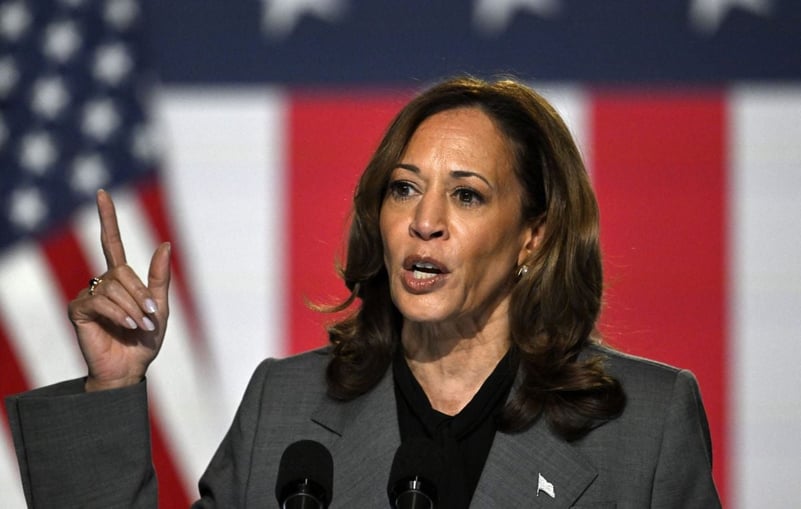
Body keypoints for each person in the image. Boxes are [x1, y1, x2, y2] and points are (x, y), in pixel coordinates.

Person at [6, 77, 721, 508]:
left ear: (532, 236)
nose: (424, 222)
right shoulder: (285, 407)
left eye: (466, 195)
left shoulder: (645, 426)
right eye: (404, 188)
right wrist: (113, 384)